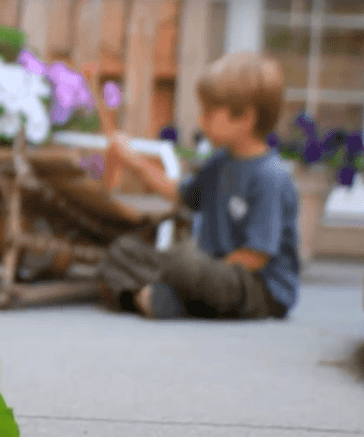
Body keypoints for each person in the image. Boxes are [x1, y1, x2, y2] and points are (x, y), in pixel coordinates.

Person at [98, 51, 299, 320]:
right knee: (123, 251)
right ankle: (159, 298)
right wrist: (134, 161)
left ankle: (156, 296)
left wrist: (197, 272)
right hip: (204, 272)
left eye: (208, 113)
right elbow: (180, 194)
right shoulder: (219, 162)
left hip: (257, 287)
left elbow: (255, 257)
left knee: (186, 262)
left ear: (245, 118)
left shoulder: (269, 177)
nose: (200, 122)